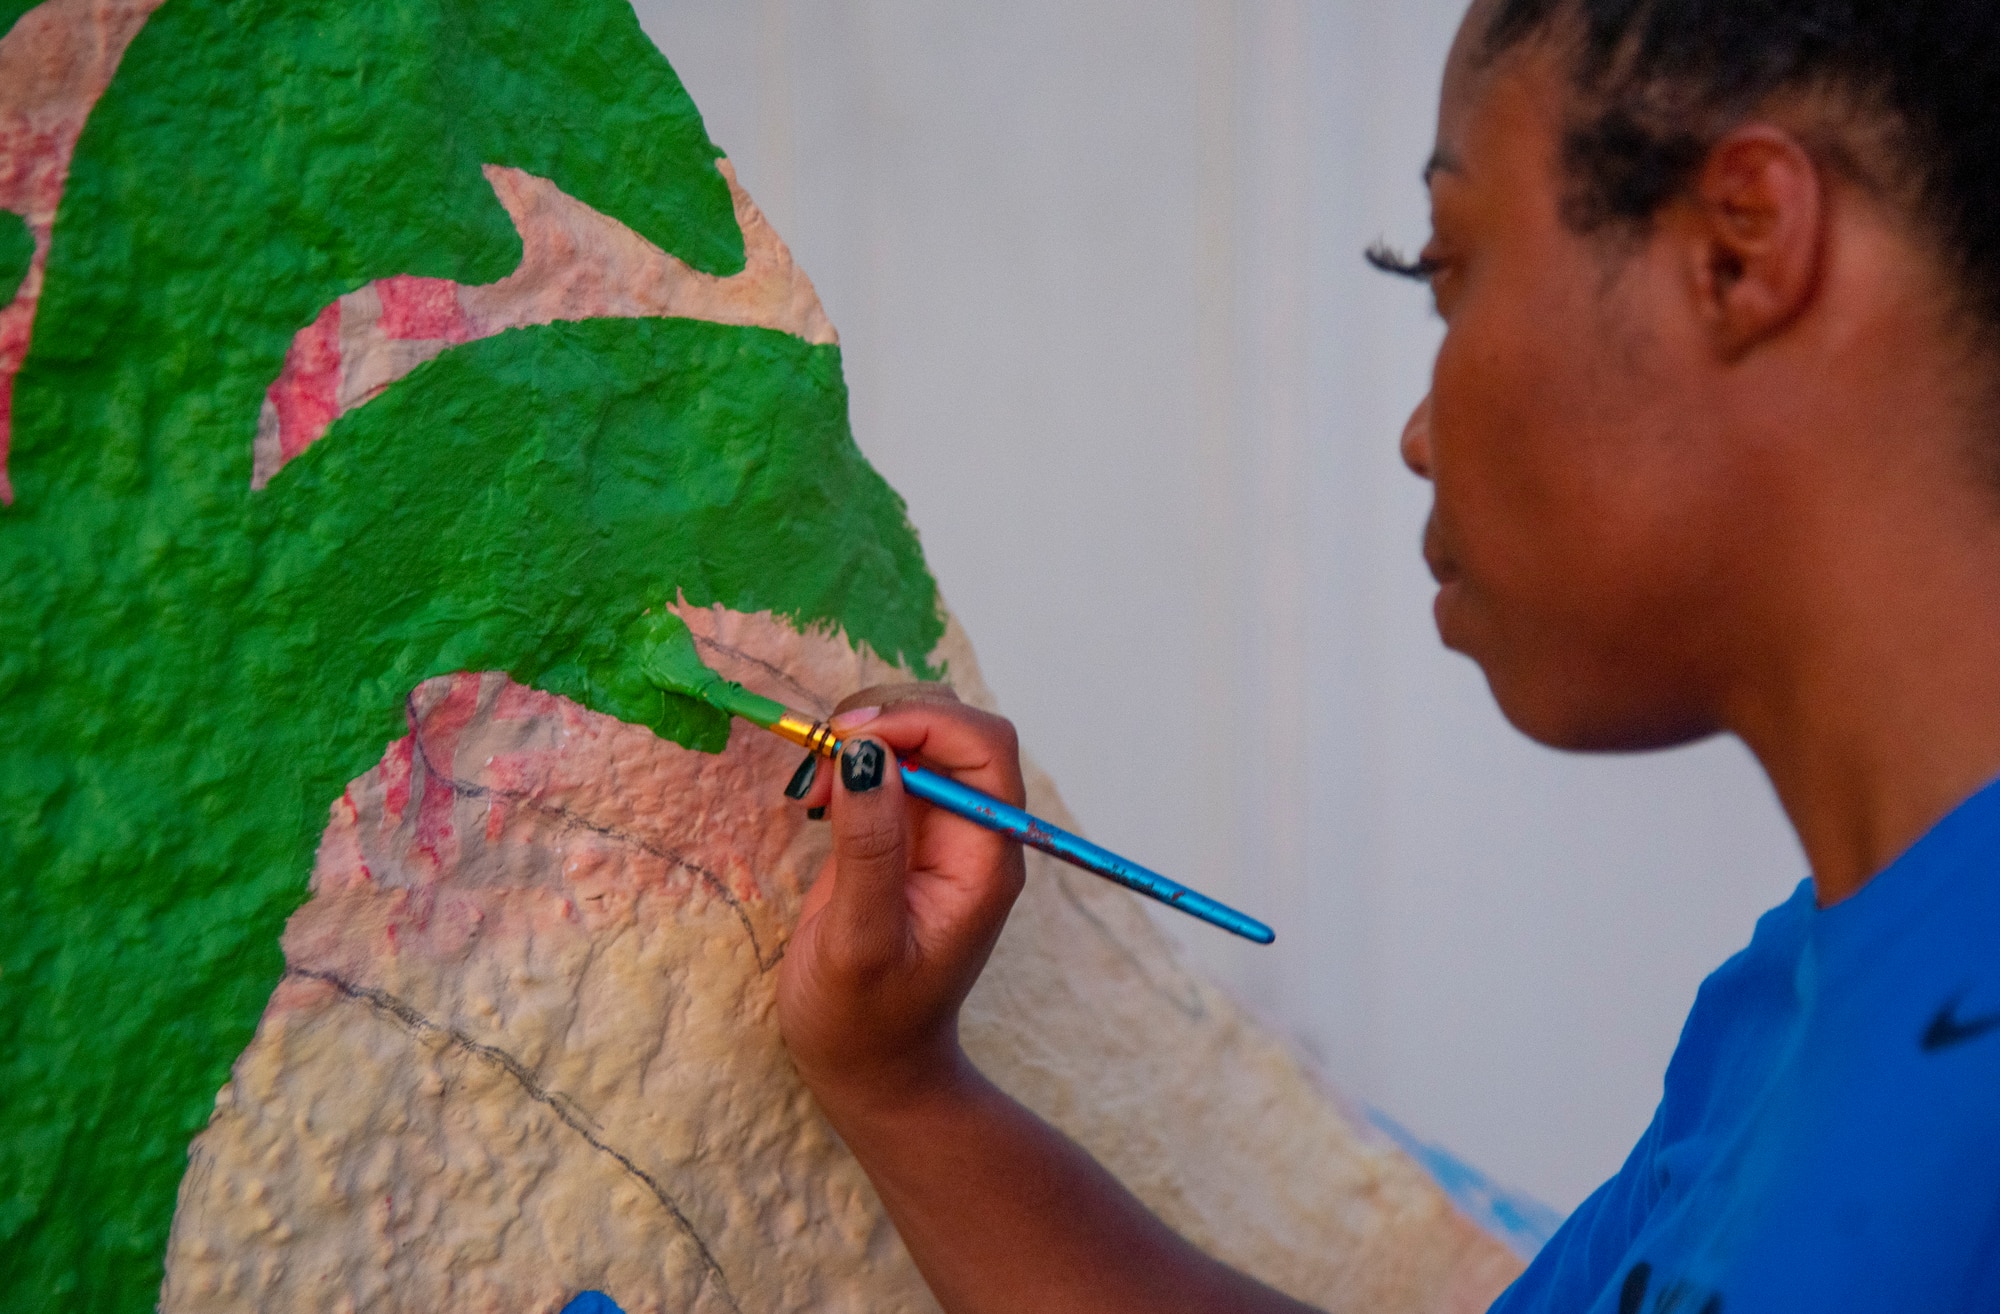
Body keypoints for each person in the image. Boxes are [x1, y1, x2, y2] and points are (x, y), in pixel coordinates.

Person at [774, 0, 2000, 1308]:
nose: (1420, 432)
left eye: (1447, 268)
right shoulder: (1780, 1022)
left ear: (1740, 248)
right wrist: (900, 1085)